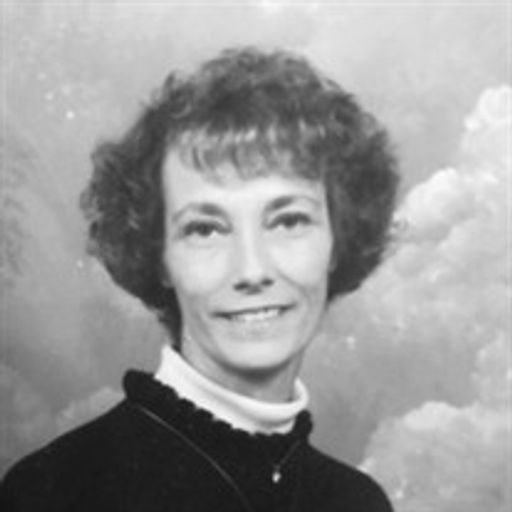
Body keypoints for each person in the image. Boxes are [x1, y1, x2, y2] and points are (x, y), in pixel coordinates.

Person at [0, 46, 399, 511]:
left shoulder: (357, 502)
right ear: (158, 257)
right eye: (205, 229)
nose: (252, 270)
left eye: (289, 221)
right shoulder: (54, 491)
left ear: (338, 239)